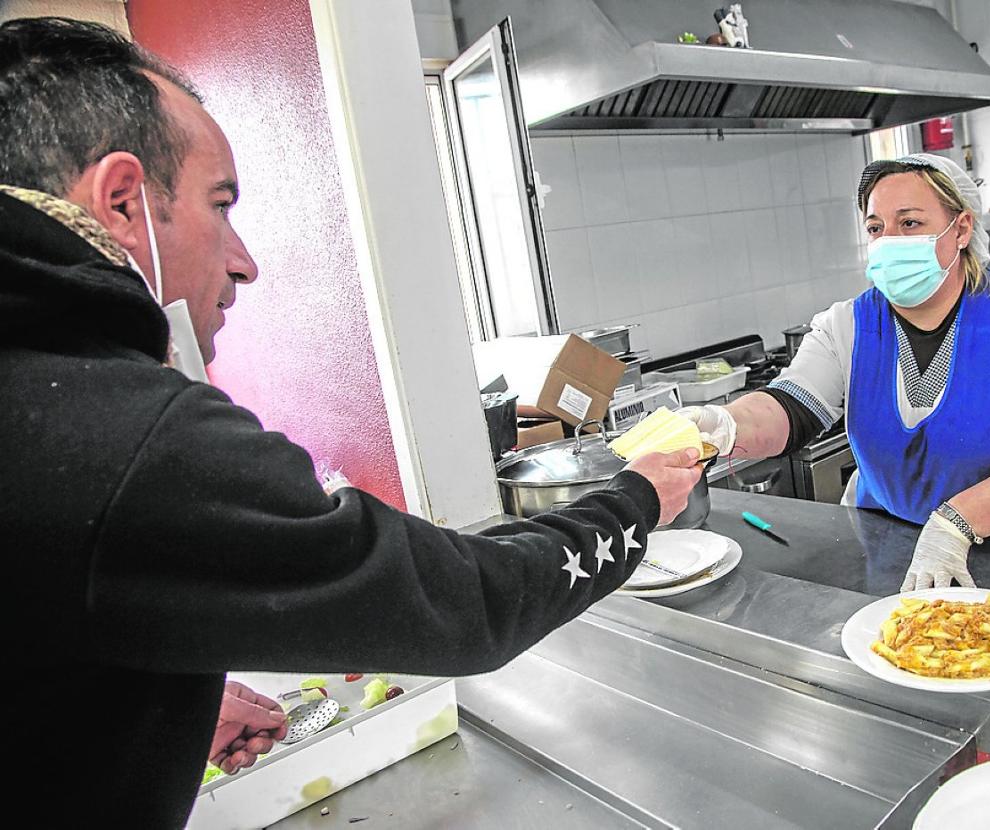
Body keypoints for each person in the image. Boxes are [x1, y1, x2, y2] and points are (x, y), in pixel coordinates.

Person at [0, 17, 703, 827]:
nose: (243, 260)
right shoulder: (116, 430)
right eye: (219, 204)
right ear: (122, 200)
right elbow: (467, 606)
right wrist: (637, 499)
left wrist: (157, 689)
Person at [682, 153, 990, 591]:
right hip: (886, 548)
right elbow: (792, 406)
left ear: (960, 229)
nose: (889, 241)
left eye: (910, 223)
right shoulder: (848, 325)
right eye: (876, 228)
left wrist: (955, 525)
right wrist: (727, 423)